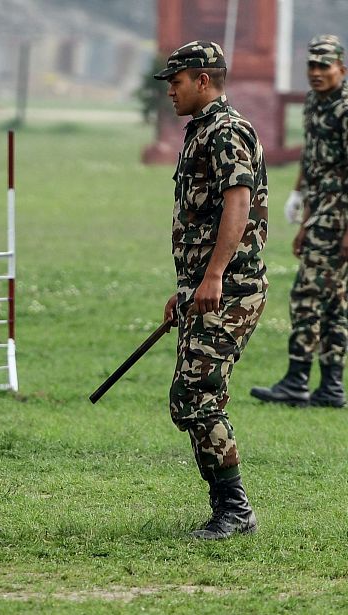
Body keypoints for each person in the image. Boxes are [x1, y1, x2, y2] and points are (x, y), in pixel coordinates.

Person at [155, 41, 268, 540]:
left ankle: (235, 511)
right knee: (191, 395)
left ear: (203, 80)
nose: (171, 93)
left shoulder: (224, 131)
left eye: (176, 83)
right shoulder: (201, 131)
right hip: (207, 288)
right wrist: (188, 287)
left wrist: (214, 275)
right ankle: (228, 506)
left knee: (196, 394)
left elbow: (237, 205)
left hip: (231, 288)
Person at [251, 35, 348, 408]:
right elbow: (312, 160)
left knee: (306, 295)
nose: (317, 72)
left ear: (341, 67)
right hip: (320, 210)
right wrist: (302, 209)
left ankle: (297, 380)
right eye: (311, 65)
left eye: (325, 65)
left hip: (340, 215)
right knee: (332, 300)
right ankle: (332, 387)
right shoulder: (314, 103)